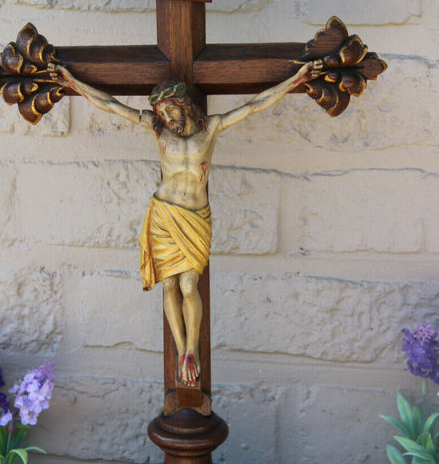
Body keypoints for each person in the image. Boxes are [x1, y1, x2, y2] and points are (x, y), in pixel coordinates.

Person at [50, 60, 323, 387]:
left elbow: (255, 105)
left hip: (194, 218)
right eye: (162, 115)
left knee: (189, 285)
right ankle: (183, 351)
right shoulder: (157, 130)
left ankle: (192, 347)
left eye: (171, 112)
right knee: (168, 285)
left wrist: (296, 79)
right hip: (164, 214)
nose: (167, 119)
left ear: (184, 105)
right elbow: (111, 105)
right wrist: (72, 83)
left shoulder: (211, 128)